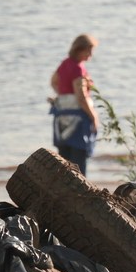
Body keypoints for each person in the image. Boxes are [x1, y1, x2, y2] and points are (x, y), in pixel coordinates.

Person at [49, 34, 99, 175]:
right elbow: (81, 96)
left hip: (62, 117)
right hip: (78, 119)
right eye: (89, 50)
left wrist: (63, 95)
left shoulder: (64, 64)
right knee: (78, 164)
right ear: (79, 49)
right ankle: (80, 193)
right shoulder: (78, 69)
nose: (91, 54)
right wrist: (94, 116)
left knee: (64, 161)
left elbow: (53, 82)